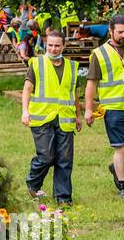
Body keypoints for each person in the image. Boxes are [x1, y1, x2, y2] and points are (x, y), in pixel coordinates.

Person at [84, 14, 124, 199]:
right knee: (120, 148)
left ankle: (116, 167)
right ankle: (123, 187)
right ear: (110, 31)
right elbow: (91, 83)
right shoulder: (99, 54)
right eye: (120, 32)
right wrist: (89, 110)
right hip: (113, 108)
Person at [21, 28, 83, 204]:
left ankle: (63, 198)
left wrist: (78, 115)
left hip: (65, 118)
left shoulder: (72, 67)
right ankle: (33, 184)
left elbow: (74, 93)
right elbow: (27, 88)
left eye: (57, 46)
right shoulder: (37, 63)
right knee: (47, 156)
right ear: (45, 44)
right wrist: (25, 111)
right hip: (41, 117)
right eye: (50, 45)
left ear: (64, 46)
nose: (53, 49)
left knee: (64, 159)